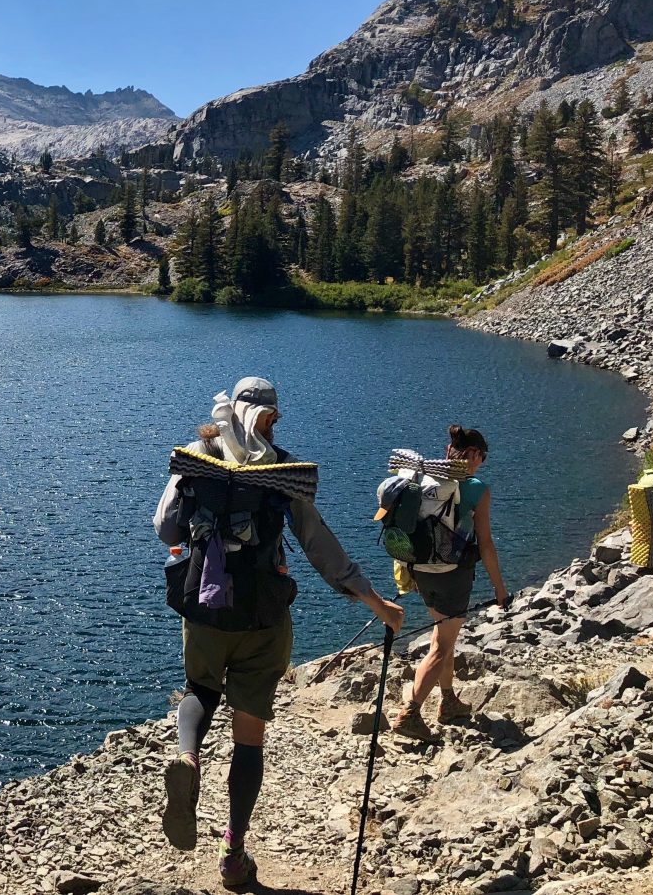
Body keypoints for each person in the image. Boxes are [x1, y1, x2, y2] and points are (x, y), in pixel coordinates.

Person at [153, 376, 405, 889]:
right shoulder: (284, 473)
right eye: (275, 414)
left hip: (203, 609)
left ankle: (187, 756)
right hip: (263, 616)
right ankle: (234, 854)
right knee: (249, 733)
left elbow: (166, 530)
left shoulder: (196, 458)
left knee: (201, 690)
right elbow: (320, 547)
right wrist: (376, 603)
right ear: (268, 416)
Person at [391, 425, 509, 742]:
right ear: (472, 455)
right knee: (442, 647)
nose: (480, 463)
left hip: (420, 572)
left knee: (443, 636)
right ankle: (410, 714)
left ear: (447, 451)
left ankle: (448, 701)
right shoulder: (476, 489)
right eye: (481, 457)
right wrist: (499, 588)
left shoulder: (424, 480)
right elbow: (485, 545)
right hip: (452, 576)